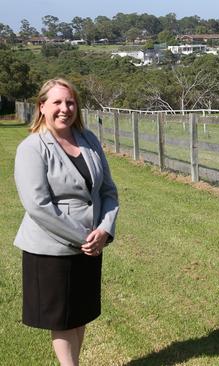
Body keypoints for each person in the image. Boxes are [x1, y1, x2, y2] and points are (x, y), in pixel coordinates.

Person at [13, 78, 119, 366]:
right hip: (52, 249)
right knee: (62, 319)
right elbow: (38, 205)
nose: (65, 108)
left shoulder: (89, 140)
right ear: (42, 106)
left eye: (70, 102)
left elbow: (107, 191)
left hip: (91, 245)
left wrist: (105, 230)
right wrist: (84, 238)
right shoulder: (32, 148)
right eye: (57, 102)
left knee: (80, 314)